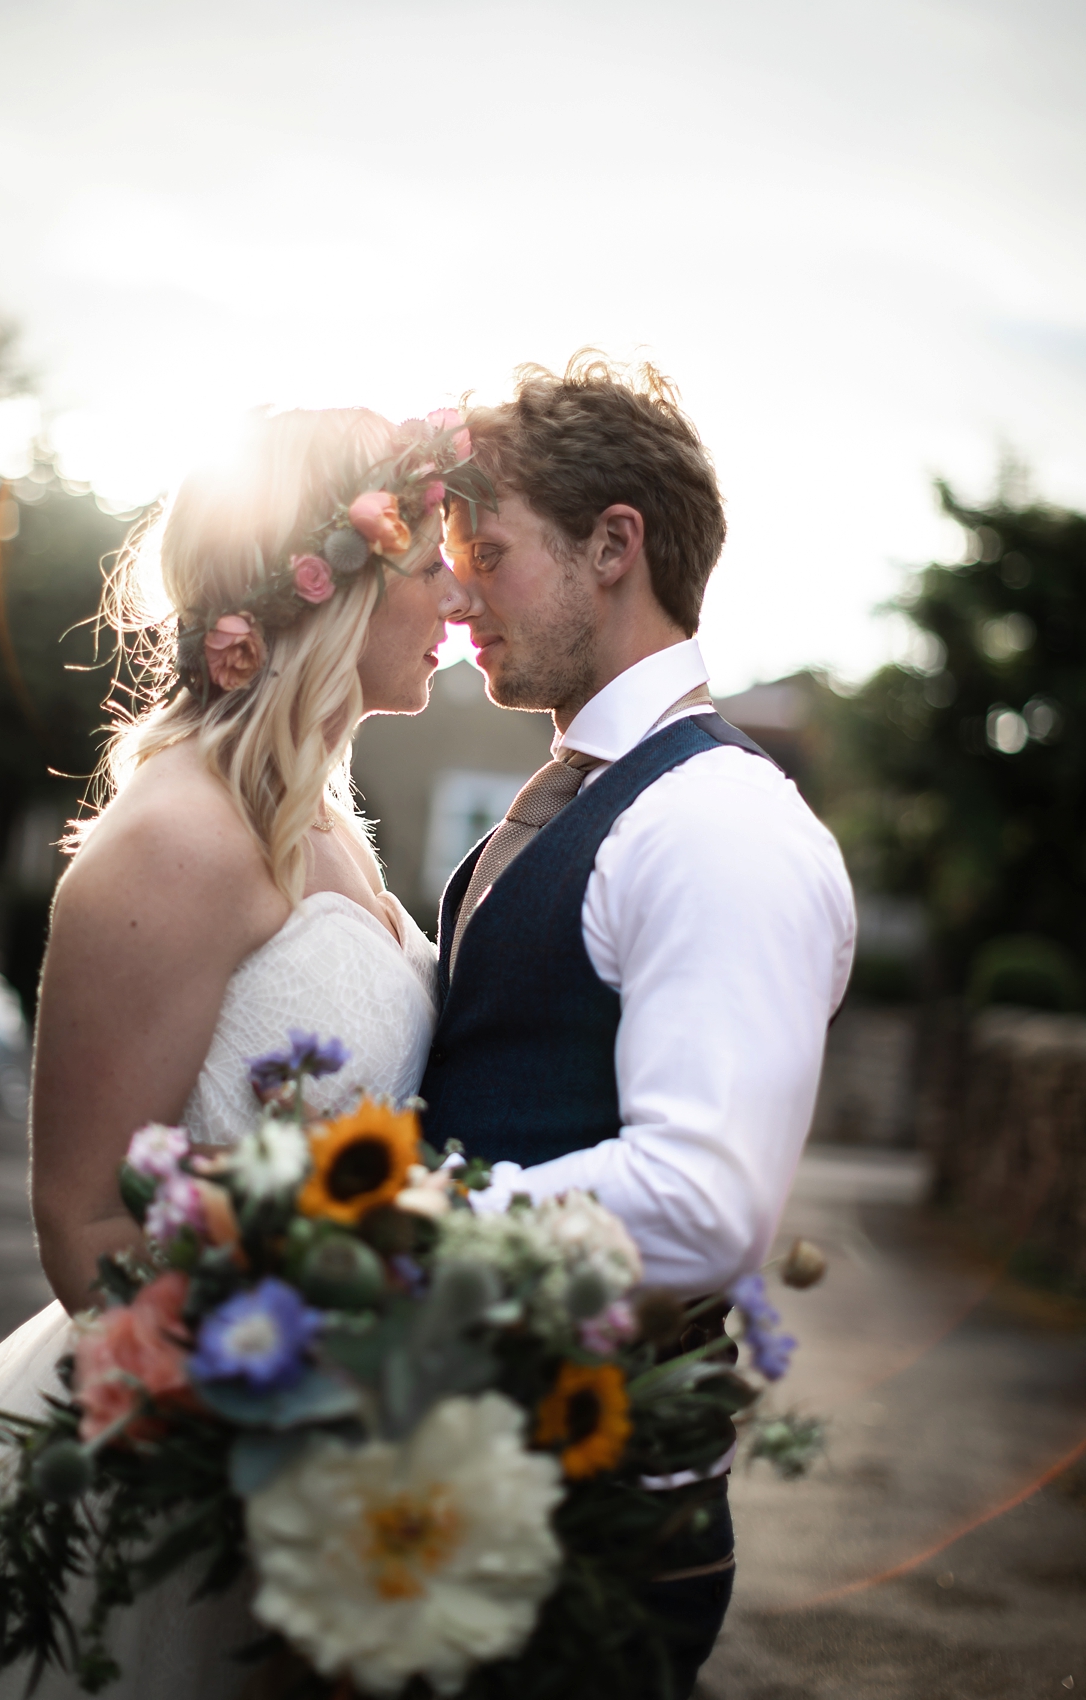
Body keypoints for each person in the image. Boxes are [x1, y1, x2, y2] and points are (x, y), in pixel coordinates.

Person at [0, 405, 470, 1700]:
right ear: (339, 578)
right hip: (184, 1464)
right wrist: (268, 1440)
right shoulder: (176, 841)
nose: (459, 590)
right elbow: (81, 1219)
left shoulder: (329, 822)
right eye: (431, 559)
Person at [421, 353, 857, 1696]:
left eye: (488, 553)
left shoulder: (720, 826)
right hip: (470, 1489)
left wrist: (368, 1246)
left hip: (589, 1522)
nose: (454, 597)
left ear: (616, 546)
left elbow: (700, 1198)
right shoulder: (576, 794)